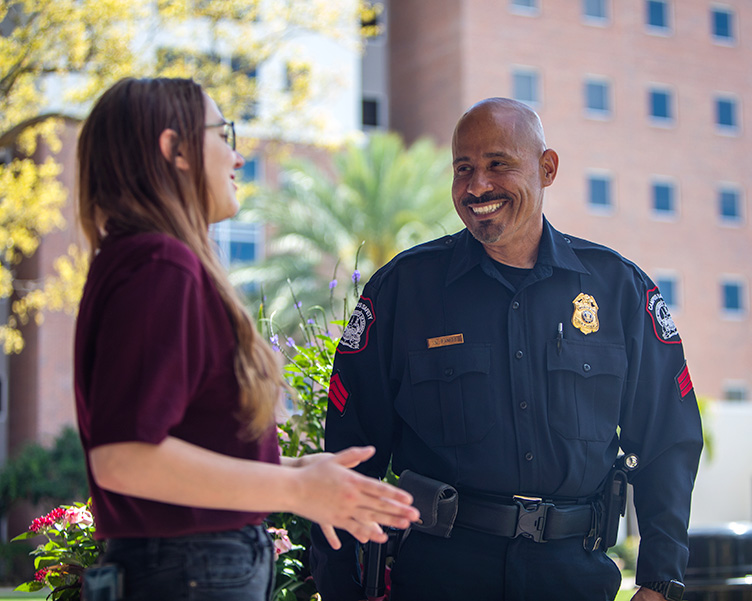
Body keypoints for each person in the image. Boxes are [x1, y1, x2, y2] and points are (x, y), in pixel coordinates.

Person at [310, 98, 702, 601]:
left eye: (498, 164)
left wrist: (659, 582)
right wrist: (340, 589)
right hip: (440, 577)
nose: (477, 186)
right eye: (463, 169)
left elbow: (668, 441)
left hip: (574, 578)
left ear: (547, 168)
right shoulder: (403, 291)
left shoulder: (619, 289)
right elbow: (350, 454)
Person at [74, 77, 419, 601]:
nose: (237, 158)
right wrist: (296, 489)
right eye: (223, 134)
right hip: (189, 572)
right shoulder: (159, 265)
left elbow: (176, 449)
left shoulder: (140, 261)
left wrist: (295, 470)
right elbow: (123, 458)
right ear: (175, 149)